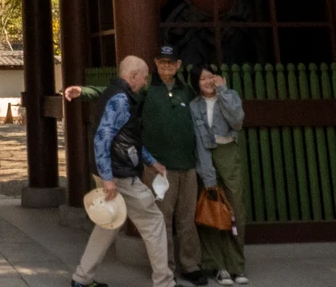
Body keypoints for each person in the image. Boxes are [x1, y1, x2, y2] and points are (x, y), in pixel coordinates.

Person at [66, 45, 204, 286]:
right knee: (154, 222)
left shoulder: (116, 94)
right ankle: (164, 281)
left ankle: (82, 278)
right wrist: (108, 178)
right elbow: (103, 137)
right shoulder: (121, 99)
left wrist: (151, 161)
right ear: (132, 76)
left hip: (113, 171)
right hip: (120, 175)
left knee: (107, 224)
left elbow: (126, 138)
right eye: (143, 76)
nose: (145, 81)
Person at [190, 67, 247, 286]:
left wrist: (223, 90)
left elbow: (237, 121)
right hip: (205, 155)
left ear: (219, 78)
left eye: (211, 77)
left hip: (228, 151)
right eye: (203, 78)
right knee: (211, 210)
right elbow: (197, 138)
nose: (207, 81)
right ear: (197, 83)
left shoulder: (229, 95)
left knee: (235, 210)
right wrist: (206, 171)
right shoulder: (194, 106)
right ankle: (217, 266)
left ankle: (236, 266)